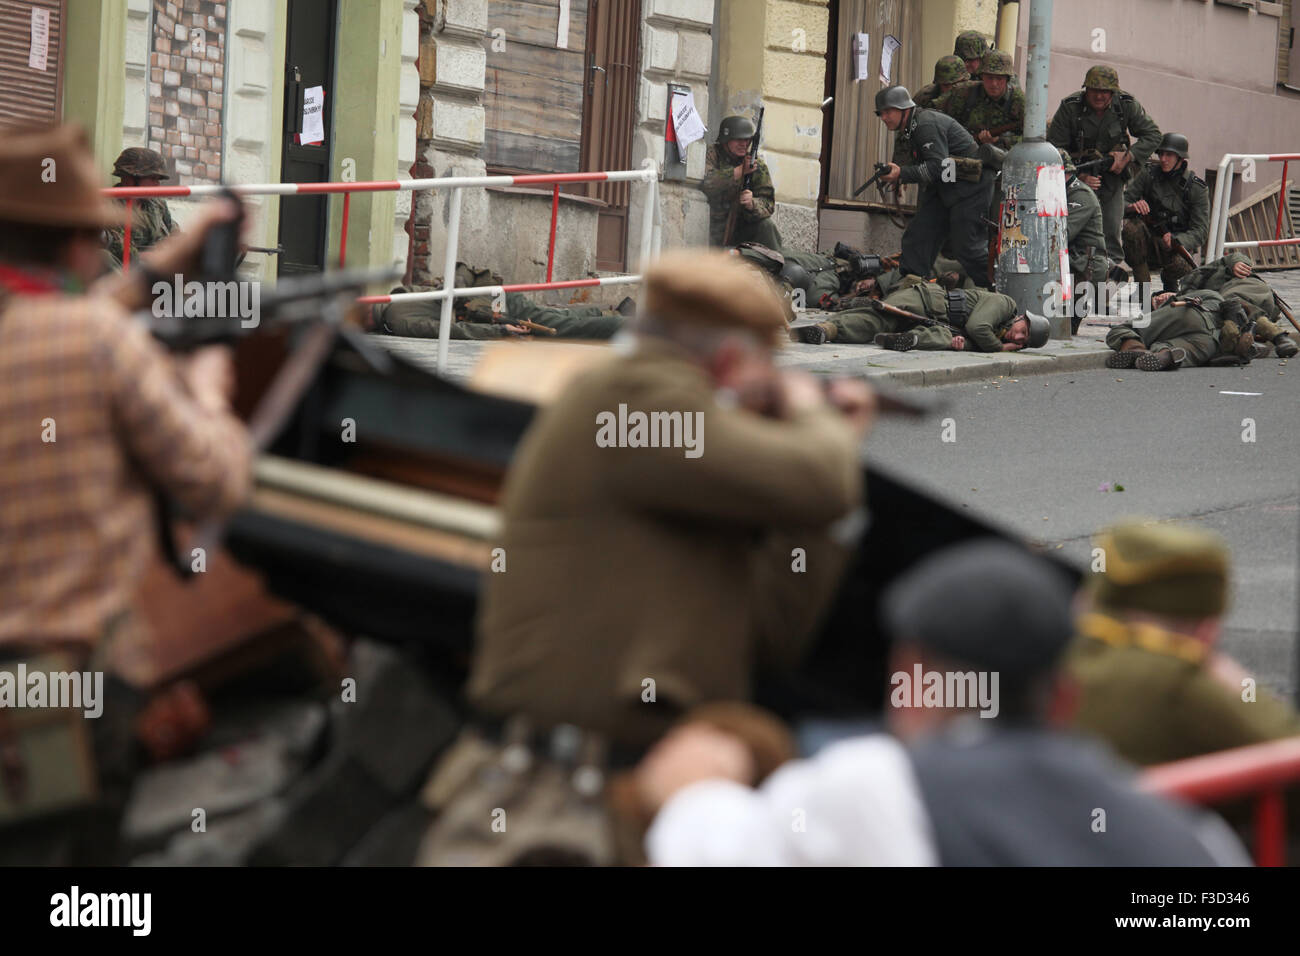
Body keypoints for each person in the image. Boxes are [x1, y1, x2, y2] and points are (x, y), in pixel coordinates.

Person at [466, 248, 875, 751]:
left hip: (629, 757)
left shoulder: (654, 427)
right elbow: (824, 478)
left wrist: (806, 511)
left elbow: (767, 638)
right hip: (570, 789)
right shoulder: (635, 399)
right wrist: (815, 414)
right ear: (728, 362)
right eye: (764, 368)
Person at [640, 540, 1247, 866]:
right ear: (1063, 697)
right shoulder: (1196, 837)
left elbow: (714, 852)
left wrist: (697, 784)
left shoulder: (873, 787)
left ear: (909, 674)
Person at [0, 124, 253, 865]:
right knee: (78, 882)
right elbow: (215, 479)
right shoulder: (99, 343)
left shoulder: (57, 327)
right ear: (83, 242)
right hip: (64, 682)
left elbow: (53, 326)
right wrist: (207, 387)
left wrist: (159, 269)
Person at [1069, 519, 1300, 769]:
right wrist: (1240, 687)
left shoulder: (1052, 652)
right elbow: (1285, 753)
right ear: (1206, 628)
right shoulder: (1177, 685)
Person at [876, 86, 995, 290]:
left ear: (904, 109)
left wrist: (901, 174)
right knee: (918, 235)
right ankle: (910, 288)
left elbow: (938, 167)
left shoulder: (925, 124)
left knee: (967, 246)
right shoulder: (912, 127)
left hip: (970, 188)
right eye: (881, 113)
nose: (884, 117)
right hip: (946, 186)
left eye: (888, 111)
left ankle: (1001, 290)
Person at [1048, 66, 1162, 269]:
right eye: (1094, 90)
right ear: (1086, 90)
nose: (1099, 96)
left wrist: (1128, 157)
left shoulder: (1125, 105)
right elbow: (1053, 149)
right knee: (1072, 228)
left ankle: (1107, 280)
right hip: (1074, 176)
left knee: (1110, 230)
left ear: (1113, 92)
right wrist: (1077, 177)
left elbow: (1153, 135)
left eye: (1105, 91)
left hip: (1112, 176)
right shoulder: (1070, 107)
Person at [794, 278, 1048, 353]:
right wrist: (1000, 349)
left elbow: (972, 337)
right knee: (877, 319)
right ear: (1021, 319)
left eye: (1022, 341)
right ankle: (826, 329)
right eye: (1022, 331)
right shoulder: (1005, 303)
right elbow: (978, 326)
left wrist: (964, 346)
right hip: (925, 301)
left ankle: (901, 340)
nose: (1017, 337)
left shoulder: (999, 333)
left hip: (938, 323)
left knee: (945, 339)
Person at [1122, 133, 1209, 291]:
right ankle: (1143, 289)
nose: (1163, 159)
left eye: (1169, 155)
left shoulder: (1196, 188)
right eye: (1161, 154)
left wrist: (1178, 239)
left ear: (1181, 159)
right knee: (1131, 229)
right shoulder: (1149, 175)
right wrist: (1132, 206)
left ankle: (1170, 284)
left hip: (1175, 247)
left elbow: (1201, 230)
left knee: (1182, 266)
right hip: (1148, 241)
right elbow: (1121, 203)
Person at [1176, 252, 1298, 359]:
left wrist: (1237, 263)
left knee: (1230, 303)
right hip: (1251, 308)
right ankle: (1269, 339)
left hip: (1250, 290)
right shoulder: (1189, 288)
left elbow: (1237, 257)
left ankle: (1275, 337)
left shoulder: (1212, 269)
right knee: (1228, 310)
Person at [1105, 288, 1252, 370]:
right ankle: (1165, 355)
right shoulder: (1216, 298)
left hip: (1189, 313)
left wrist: (1176, 298)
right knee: (1170, 348)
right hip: (1210, 343)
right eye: (1155, 300)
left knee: (1123, 329)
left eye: (1159, 295)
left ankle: (1136, 349)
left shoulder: (1209, 296)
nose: (1160, 298)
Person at [698, 115, 781, 249]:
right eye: (738, 140)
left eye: (747, 140)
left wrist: (752, 203)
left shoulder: (755, 164)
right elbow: (706, 183)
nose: (744, 144)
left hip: (740, 227)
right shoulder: (712, 155)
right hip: (710, 225)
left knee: (767, 226)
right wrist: (739, 171)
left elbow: (768, 203)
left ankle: (775, 264)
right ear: (726, 140)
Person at [1059, 149, 1110, 331]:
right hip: (1073, 260)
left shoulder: (1080, 195)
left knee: (1064, 328)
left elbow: (1061, 235)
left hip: (1086, 264)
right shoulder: (1061, 192)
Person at [934, 49, 1025, 150]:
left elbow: (1035, 137)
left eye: (999, 79)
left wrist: (1002, 141)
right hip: (963, 153)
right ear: (982, 76)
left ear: (1007, 79)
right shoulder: (964, 92)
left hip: (1006, 158)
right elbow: (937, 119)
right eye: (989, 78)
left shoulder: (1019, 100)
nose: (994, 84)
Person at [103, 146, 177, 269]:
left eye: (158, 180)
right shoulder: (109, 208)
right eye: (153, 179)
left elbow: (174, 232)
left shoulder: (157, 204)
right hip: (128, 273)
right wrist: (149, 256)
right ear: (129, 179)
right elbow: (116, 250)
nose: (157, 185)